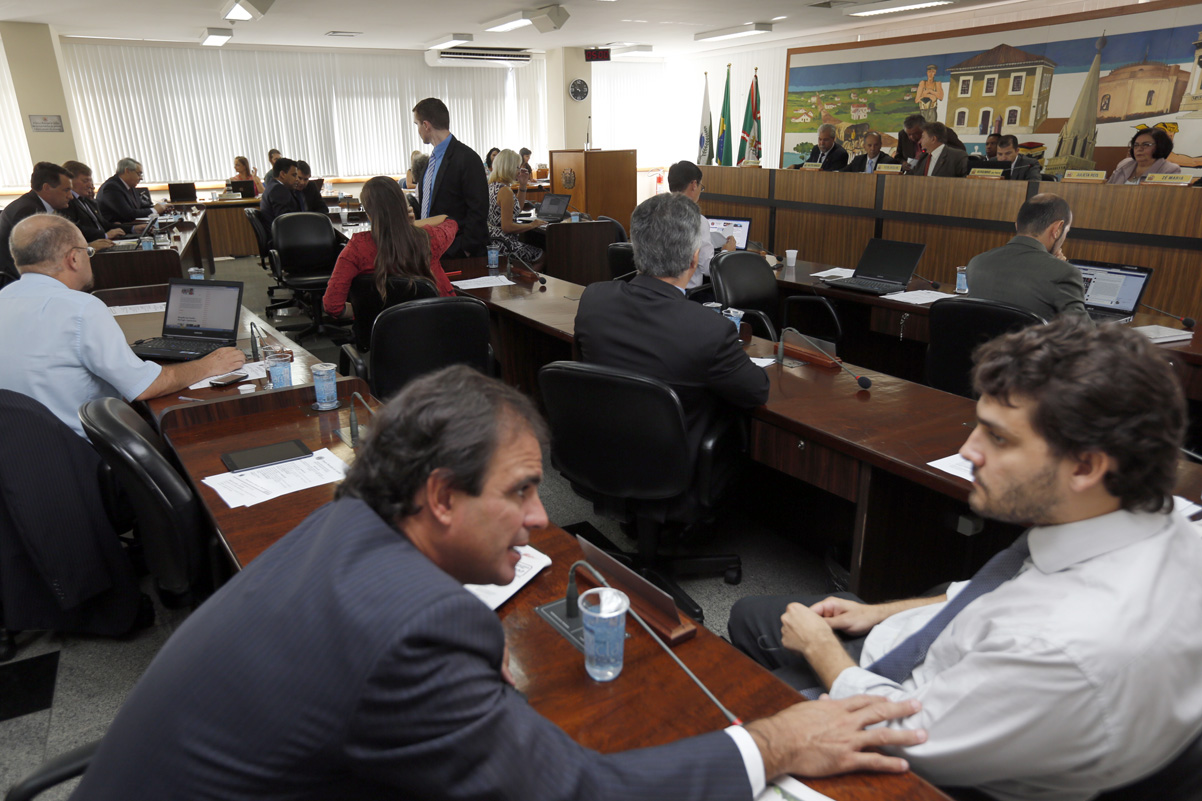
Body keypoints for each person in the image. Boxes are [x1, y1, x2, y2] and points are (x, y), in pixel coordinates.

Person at [70, 364, 925, 801]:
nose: (540, 519)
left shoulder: (343, 521)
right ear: (439, 495)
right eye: (520, 491)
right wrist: (779, 740)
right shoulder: (417, 629)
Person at [728, 316, 1202, 800]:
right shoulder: (1169, 519)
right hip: (936, 652)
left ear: (1085, 465)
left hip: (909, 719)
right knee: (749, 615)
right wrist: (878, 611)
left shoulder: (1062, 647)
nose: (967, 449)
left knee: (734, 726)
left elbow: (908, 736)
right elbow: (997, 592)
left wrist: (821, 650)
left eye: (998, 437)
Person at [0, 215, 244, 439]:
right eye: (89, 251)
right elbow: (144, 387)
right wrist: (209, 364)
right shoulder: (81, 308)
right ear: (73, 258)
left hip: (16, 453)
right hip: (83, 453)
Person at [575, 192, 769, 459]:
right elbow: (756, 391)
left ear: (635, 248)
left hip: (605, 452)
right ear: (694, 259)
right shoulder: (708, 327)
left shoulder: (593, 299)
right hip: (673, 464)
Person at [323, 175, 458, 319]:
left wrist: (369, 312)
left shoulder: (356, 249)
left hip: (385, 336)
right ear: (403, 205)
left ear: (369, 215)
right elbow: (450, 222)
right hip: (436, 328)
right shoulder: (429, 238)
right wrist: (410, 225)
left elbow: (332, 305)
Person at [964, 193, 1088, 320]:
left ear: (1017, 225)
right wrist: (1058, 266)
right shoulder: (1064, 273)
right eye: (1066, 231)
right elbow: (1084, 334)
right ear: (1057, 229)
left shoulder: (976, 263)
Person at [413, 96, 488, 257]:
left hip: (457, 252)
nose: (418, 130)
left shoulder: (467, 158)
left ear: (426, 125)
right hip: (432, 250)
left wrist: (465, 249)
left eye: (417, 124)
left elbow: (479, 209)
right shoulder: (429, 162)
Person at [0, 162, 80, 286]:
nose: (71, 196)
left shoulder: (39, 205)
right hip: (17, 280)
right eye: (66, 190)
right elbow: (40, 254)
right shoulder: (27, 211)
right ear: (46, 188)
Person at [666, 160, 734, 292]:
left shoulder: (655, 213)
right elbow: (709, 269)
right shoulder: (697, 220)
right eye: (701, 187)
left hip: (656, 292)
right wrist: (726, 253)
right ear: (694, 184)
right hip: (688, 296)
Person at [486, 148, 544, 267]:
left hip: (494, 241)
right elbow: (507, 227)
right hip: (504, 244)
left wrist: (523, 185)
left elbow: (517, 209)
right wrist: (532, 225)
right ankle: (527, 283)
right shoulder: (505, 191)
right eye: (517, 167)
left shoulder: (492, 186)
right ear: (509, 167)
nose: (519, 170)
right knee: (542, 256)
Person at [62, 160, 132, 245]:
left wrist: (133, 228)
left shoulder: (86, 200)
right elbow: (76, 229)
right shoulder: (66, 202)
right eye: (85, 181)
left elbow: (104, 224)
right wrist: (105, 235)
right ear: (70, 181)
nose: (89, 185)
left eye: (90, 180)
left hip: (105, 241)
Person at [96, 157, 169, 223]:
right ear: (127, 171)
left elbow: (140, 207)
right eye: (139, 174)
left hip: (132, 225)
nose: (141, 178)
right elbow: (128, 214)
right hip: (119, 229)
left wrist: (161, 208)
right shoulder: (111, 187)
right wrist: (154, 210)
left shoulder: (130, 186)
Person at [1107, 127, 1181, 184]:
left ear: (1160, 146)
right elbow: (1108, 189)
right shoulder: (1125, 164)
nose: (1139, 149)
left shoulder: (1169, 169)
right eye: (1136, 145)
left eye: (1146, 145)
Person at [258, 157, 304, 229]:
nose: (297, 179)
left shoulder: (272, 186)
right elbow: (285, 221)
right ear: (282, 174)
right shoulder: (278, 190)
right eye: (294, 175)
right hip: (285, 237)